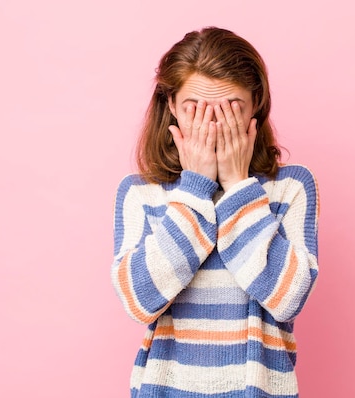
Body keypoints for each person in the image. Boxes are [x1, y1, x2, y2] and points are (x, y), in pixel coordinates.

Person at [111, 26, 319, 398]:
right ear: (171, 105)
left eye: (229, 109)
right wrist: (194, 187)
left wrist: (238, 185)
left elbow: (287, 298)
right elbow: (140, 299)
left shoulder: (291, 187)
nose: (212, 124)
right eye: (194, 109)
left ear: (256, 103)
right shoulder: (141, 193)